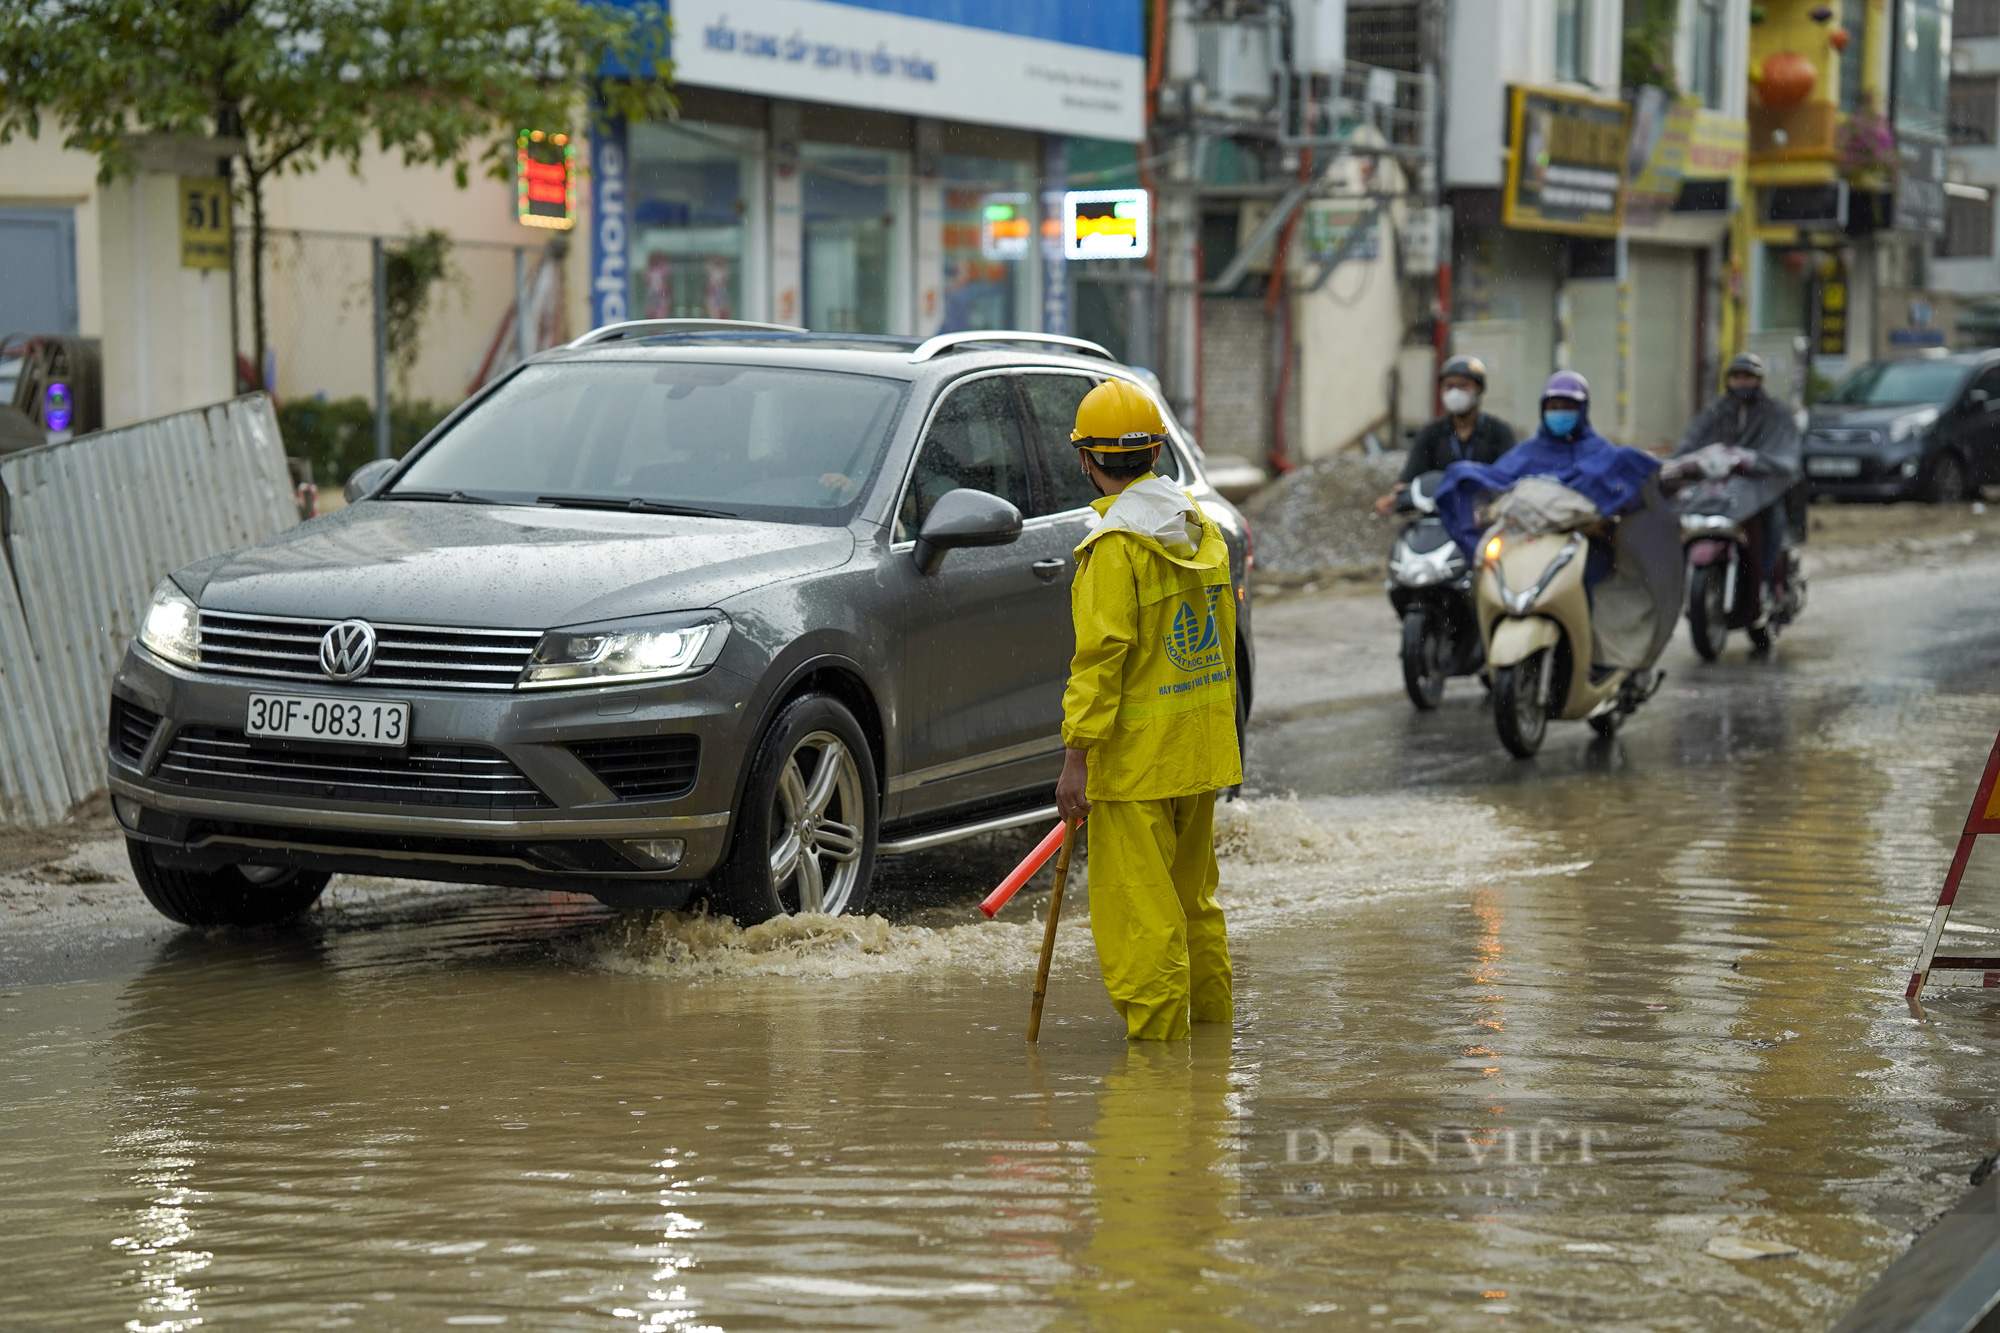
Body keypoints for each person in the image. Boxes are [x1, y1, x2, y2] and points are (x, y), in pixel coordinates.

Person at [1055, 379, 1241, 1042]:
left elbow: (1099, 663)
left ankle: (1162, 1076)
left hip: (1135, 765)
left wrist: (1076, 759)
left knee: (1142, 916)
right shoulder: (1202, 530)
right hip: (1200, 751)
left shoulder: (1115, 549)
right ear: (1156, 452)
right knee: (1193, 903)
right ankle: (1211, 1053)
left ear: (1085, 459)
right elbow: (1220, 643)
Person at [1433, 369, 1660, 570]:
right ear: (1543, 409)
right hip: (1523, 548)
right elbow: (1497, 479)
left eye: (1567, 407)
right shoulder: (1528, 452)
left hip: (1583, 548)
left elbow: (1627, 488)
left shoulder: (1602, 453)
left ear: (1582, 410)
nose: (1559, 412)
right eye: (1553, 407)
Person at [1662, 351, 1803, 608]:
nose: (1742, 383)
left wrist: (1752, 459)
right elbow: (1690, 443)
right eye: (1737, 377)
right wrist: (1676, 464)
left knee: (1774, 518)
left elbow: (1786, 455)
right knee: (1676, 511)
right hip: (1717, 486)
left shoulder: (1776, 413)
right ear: (1729, 380)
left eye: (1748, 377)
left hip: (1761, 486)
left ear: (1759, 380)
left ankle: (1767, 584)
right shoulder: (1715, 410)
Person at [1374, 355, 1518, 516]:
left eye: (1463, 386)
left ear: (1479, 389)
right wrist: (1395, 497)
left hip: (1484, 518)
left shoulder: (1498, 431)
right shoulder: (1431, 432)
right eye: (1449, 386)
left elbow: (1509, 478)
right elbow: (1410, 477)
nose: (1455, 392)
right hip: (1439, 516)